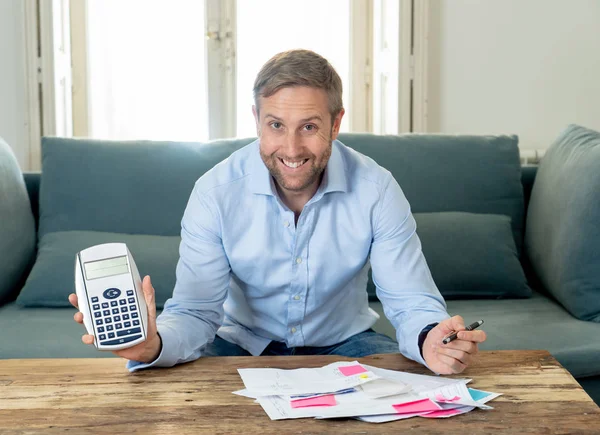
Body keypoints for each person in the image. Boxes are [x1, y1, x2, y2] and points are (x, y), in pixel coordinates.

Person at [69, 49, 486, 374]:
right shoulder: (214, 194)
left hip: (346, 342)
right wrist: (153, 345)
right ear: (256, 119)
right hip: (239, 342)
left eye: (309, 126)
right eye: (275, 126)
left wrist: (432, 338)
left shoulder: (377, 190)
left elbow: (411, 301)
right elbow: (196, 313)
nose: (290, 149)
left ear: (336, 123)